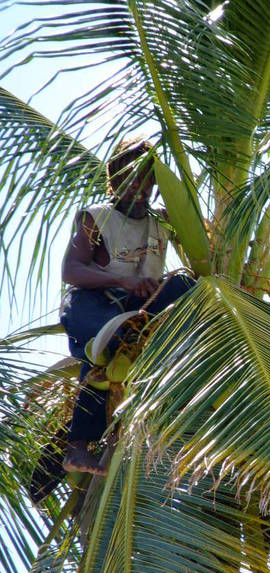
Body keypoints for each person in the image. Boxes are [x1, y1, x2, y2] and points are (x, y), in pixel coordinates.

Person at [60, 138, 194, 475]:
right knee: (106, 343)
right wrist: (124, 282)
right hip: (93, 305)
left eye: (147, 181)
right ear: (115, 181)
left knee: (188, 286)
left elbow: (201, 248)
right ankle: (77, 446)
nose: (140, 188)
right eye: (131, 180)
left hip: (139, 308)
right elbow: (71, 270)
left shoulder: (163, 222)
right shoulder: (98, 218)